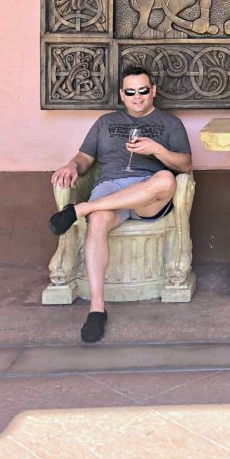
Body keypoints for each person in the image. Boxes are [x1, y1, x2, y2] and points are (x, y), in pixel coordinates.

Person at [49, 66, 192, 343]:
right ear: (122, 95)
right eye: (130, 92)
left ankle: (80, 210)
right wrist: (70, 165)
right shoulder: (105, 122)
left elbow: (186, 165)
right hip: (109, 186)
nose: (137, 97)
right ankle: (96, 309)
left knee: (165, 180)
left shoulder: (170, 123)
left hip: (147, 194)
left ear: (153, 91)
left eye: (142, 91)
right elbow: (83, 158)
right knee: (99, 221)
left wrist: (157, 150)